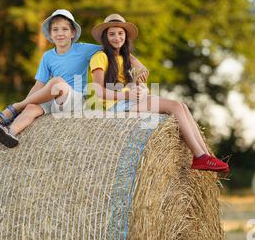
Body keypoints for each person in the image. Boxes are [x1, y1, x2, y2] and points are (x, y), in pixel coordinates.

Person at [89, 14, 230, 173]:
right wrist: (126, 95)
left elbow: (143, 70)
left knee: (182, 106)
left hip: (130, 102)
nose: (116, 37)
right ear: (105, 37)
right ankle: (200, 157)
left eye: (121, 33)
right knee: (175, 107)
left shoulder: (125, 56)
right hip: (116, 107)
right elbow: (98, 91)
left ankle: (206, 155)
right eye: (112, 34)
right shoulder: (99, 57)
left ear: (126, 36)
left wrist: (140, 74)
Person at [0, 9, 147, 148]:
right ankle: (9, 132)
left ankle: (15, 107)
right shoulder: (47, 56)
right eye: (55, 29)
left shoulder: (84, 49)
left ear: (72, 33)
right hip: (56, 98)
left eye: (64, 29)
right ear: (50, 34)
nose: (60, 33)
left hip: (76, 100)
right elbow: (39, 85)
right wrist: (30, 100)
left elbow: (116, 47)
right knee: (31, 108)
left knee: (57, 82)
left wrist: (139, 64)